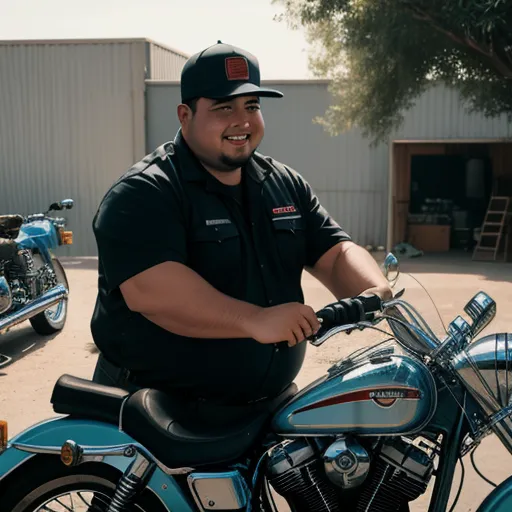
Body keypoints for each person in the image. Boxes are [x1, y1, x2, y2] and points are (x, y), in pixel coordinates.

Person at [90, 41, 392, 408]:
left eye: (252, 106)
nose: (242, 121)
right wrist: (255, 320)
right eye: (223, 107)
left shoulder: (283, 184)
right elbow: (153, 292)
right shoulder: (144, 192)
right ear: (185, 115)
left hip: (265, 405)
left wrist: (374, 291)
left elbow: (335, 253)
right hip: (158, 412)